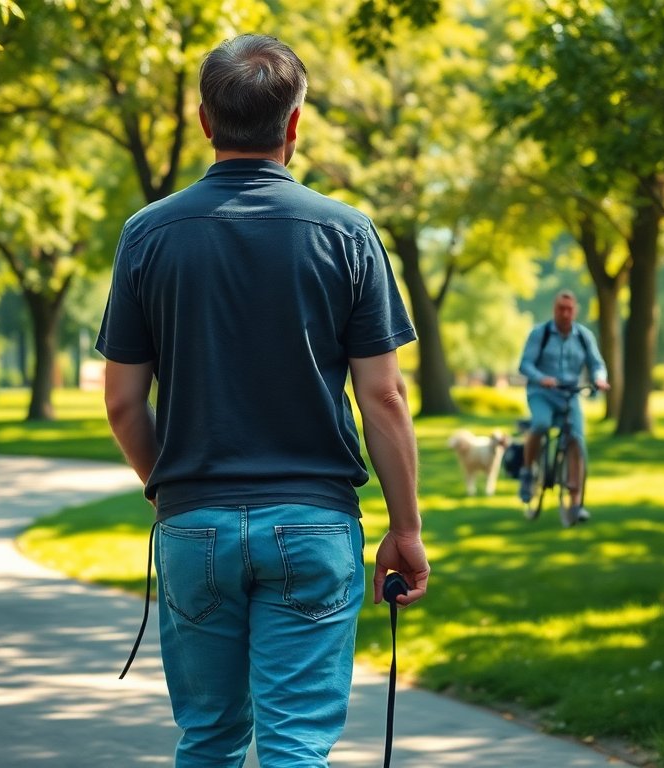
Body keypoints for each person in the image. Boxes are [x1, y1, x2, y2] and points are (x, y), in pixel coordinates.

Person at [97, 34, 429, 767]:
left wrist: (171, 493)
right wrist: (405, 528)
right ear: (294, 123)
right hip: (313, 523)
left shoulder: (147, 236)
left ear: (204, 121)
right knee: (294, 745)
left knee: (209, 740)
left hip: (194, 526)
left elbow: (122, 403)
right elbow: (384, 396)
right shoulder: (347, 234)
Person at [517, 289, 610, 527]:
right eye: (561, 309)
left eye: (569, 309)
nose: (565, 313)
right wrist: (542, 378)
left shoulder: (583, 336)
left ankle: (576, 504)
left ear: (575, 310)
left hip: (570, 395)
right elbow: (525, 364)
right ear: (554, 310)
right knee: (541, 423)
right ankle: (527, 472)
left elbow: (597, 364)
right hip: (542, 393)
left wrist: (599, 379)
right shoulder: (540, 334)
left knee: (577, 440)